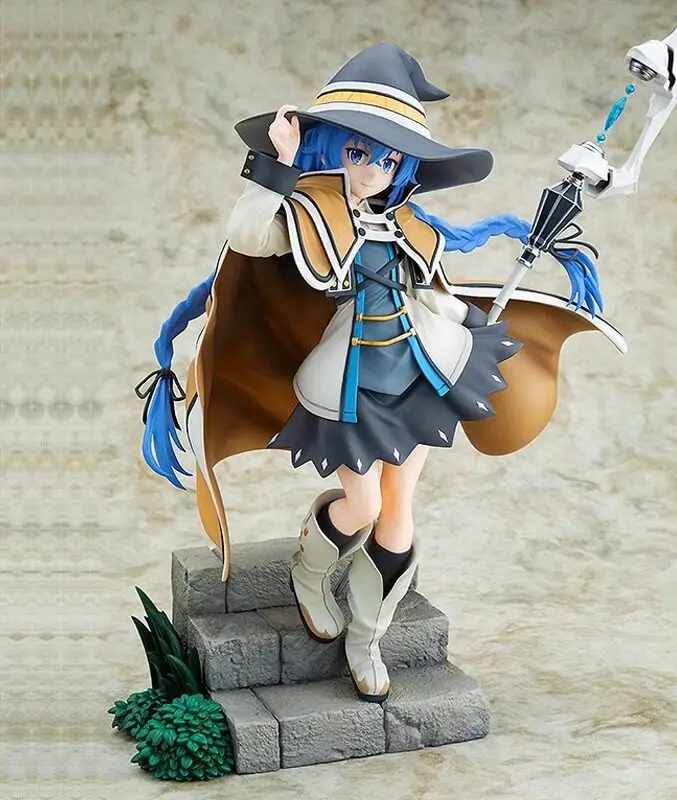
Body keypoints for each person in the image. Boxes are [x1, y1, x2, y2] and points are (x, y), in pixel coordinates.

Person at [135, 43, 622, 703]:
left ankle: (367, 638)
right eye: (358, 152)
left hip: (418, 377)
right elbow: (248, 236)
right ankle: (310, 573)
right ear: (335, 149)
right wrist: (276, 167)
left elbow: (435, 296)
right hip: (349, 385)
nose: (370, 169)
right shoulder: (310, 214)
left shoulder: (410, 227)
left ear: (405, 167)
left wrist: (476, 321)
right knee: (361, 506)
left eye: (387, 159)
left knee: (397, 516)